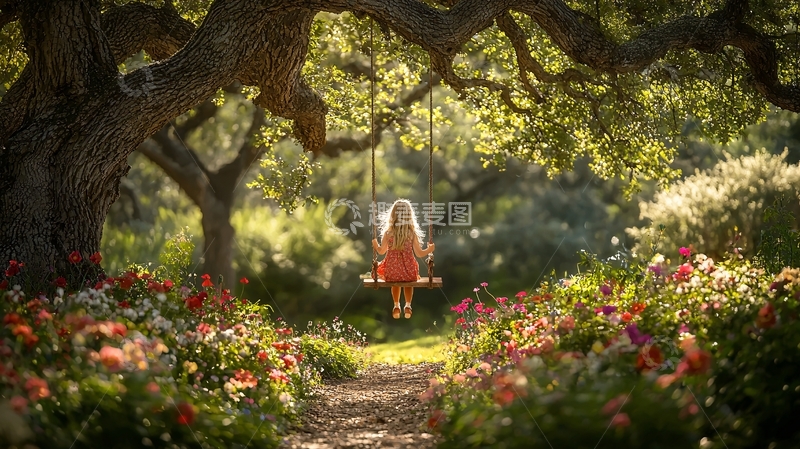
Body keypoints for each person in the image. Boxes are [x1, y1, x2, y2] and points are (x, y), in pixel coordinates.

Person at [372, 199, 435, 319]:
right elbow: (420, 253)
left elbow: (381, 251)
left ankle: (396, 305)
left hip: (391, 272)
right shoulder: (411, 233)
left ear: (393, 215)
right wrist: (430, 249)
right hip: (409, 271)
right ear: (409, 215)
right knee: (408, 281)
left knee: (395, 280)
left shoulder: (388, 233)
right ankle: (408, 305)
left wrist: (375, 244)